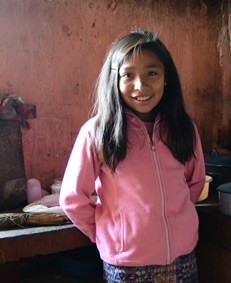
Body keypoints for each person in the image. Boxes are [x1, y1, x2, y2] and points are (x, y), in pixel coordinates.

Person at [59, 30, 205, 282]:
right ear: (114, 80)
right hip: (126, 266)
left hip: (182, 258)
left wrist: (176, 221)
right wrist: (111, 235)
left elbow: (195, 181)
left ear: (166, 77)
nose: (141, 86)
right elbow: (73, 198)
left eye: (152, 73)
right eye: (128, 75)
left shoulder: (183, 127)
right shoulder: (97, 132)